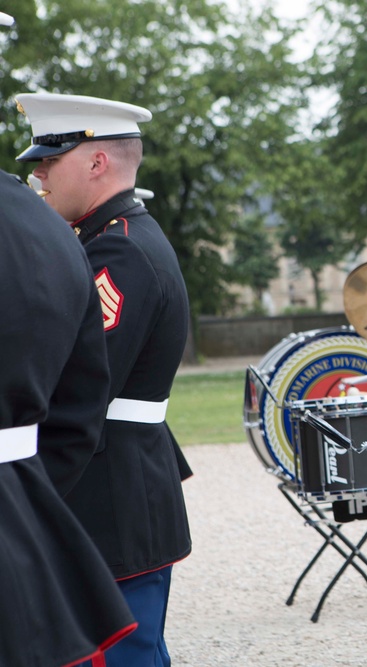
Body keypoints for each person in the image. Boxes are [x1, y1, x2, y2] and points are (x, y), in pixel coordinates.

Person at [16, 91, 194, 667]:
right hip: (118, 478)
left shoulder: (116, 250)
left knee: (120, 656)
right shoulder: (110, 239)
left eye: (49, 160)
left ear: (96, 162)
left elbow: (78, 381)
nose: (38, 174)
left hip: (108, 488)